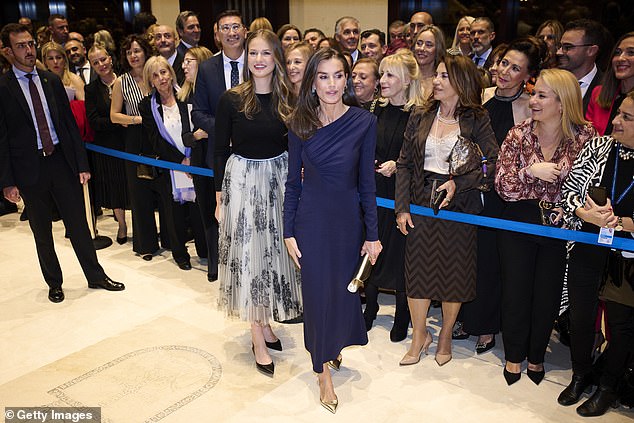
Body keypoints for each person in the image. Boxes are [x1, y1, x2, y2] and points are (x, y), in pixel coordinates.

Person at [284, 47, 380, 414]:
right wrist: (288, 229)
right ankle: (321, 370)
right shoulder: (299, 123)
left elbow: (367, 185)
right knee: (318, 296)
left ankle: (334, 348)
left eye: (339, 75)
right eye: (323, 76)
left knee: (342, 294)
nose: (332, 84)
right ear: (312, 81)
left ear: (348, 78)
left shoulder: (363, 122)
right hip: (310, 222)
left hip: (347, 224)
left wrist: (372, 234)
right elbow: (293, 183)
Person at [0, 23, 124, 303]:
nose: (29, 50)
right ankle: (54, 283)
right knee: (42, 231)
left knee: (79, 224)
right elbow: (2, 139)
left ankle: (96, 275)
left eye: (31, 44)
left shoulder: (50, 81)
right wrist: (7, 181)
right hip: (29, 169)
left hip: (60, 161)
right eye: (21, 46)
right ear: (8, 51)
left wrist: (81, 163)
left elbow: (69, 126)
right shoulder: (4, 89)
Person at [395, 54, 498, 368]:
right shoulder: (421, 114)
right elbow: (404, 164)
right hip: (421, 200)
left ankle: (446, 335)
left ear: (461, 82)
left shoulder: (476, 118)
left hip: (459, 205)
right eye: (436, 75)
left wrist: (460, 183)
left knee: (455, 274)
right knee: (417, 275)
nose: (436, 81)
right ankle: (419, 335)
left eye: (444, 76)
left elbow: (490, 164)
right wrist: (401, 208)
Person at [495, 68, 596, 386]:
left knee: (547, 295)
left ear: (563, 102)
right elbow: (502, 185)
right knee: (516, 290)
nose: (533, 100)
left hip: (562, 228)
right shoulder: (518, 133)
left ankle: (536, 356)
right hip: (519, 222)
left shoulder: (585, 136)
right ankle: (513, 355)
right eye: (534, 93)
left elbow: (587, 187)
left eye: (541, 95)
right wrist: (530, 172)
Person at [215, 29, 302, 377]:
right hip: (243, 182)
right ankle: (257, 335)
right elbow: (219, 149)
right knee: (251, 257)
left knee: (272, 255)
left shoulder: (288, 100)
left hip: (279, 182)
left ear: (276, 58)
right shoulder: (231, 100)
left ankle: (265, 321)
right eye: (253, 53)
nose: (259, 60)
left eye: (267, 53)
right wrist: (219, 197)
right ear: (246, 58)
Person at [455, 37, 544, 353]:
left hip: (508, 197)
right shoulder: (482, 98)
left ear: (527, 76)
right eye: (504, 62)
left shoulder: (529, 108)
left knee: (496, 261)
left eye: (515, 68)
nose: (505, 71)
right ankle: (470, 318)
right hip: (472, 191)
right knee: (472, 257)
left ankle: (488, 327)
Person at [558, 91, 634, 415]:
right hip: (589, 241)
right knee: (580, 314)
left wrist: (625, 222)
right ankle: (580, 374)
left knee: (619, 325)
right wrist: (584, 213)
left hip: (627, 257)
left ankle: (608, 386)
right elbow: (568, 191)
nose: (615, 121)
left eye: (626, 117)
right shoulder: (598, 147)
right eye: (618, 113)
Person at [363, 49, 425, 342]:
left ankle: (402, 315)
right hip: (375, 190)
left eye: (389, 74)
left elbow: (420, 156)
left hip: (402, 194)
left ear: (406, 79)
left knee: (401, 254)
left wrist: (398, 166)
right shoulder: (375, 108)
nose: (382, 80)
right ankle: (370, 307)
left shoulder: (419, 114)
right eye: (382, 73)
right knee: (371, 248)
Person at [192, 9, 247, 281]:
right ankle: (224, 268)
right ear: (217, 35)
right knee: (223, 214)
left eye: (236, 26)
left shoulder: (260, 62)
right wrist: (227, 130)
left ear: (245, 31)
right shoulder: (207, 69)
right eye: (225, 28)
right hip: (222, 154)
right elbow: (198, 113)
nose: (231, 32)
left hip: (259, 154)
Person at [139, 56, 197, 271]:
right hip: (170, 166)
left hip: (194, 163)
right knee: (174, 215)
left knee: (198, 210)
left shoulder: (187, 96)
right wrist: (180, 160)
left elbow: (196, 128)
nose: (161, 78)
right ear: (150, 80)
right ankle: (180, 254)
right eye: (155, 75)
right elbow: (155, 139)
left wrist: (192, 158)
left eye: (164, 72)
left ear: (171, 73)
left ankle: (204, 251)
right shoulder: (147, 106)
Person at [110, 34, 157, 261]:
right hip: (135, 138)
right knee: (139, 194)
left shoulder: (156, 75)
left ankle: (168, 238)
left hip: (159, 137)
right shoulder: (121, 81)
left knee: (164, 191)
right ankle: (145, 243)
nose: (133, 56)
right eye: (129, 52)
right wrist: (137, 120)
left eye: (137, 51)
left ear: (146, 52)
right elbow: (113, 115)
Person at [178, 45, 216, 281]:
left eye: (189, 61)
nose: (183, 66)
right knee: (207, 214)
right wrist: (198, 135)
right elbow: (186, 136)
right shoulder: (183, 96)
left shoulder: (214, 93)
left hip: (219, 159)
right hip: (200, 162)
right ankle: (213, 262)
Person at [84, 44, 128, 244]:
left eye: (103, 59)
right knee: (115, 188)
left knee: (133, 186)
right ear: (92, 66)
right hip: (108, 147)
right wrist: (118, 120)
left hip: (131, 144)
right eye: (95, 62)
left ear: (110, 59)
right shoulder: (91, 89)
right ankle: (121, 225)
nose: (101, 64)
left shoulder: (127, 80)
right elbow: (93, 121)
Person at [586, 32, 634, 136]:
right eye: (617, 52)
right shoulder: (599, 93)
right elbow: (587, 136)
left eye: (631, 53)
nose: (620, 58)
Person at [556, 19, 607, 115]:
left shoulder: (607, 88)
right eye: (560, 46)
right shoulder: (550, 81)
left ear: (591, 50)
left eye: (567, 47)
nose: (558, 52)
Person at [412, 24, 445, 100]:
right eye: (419, 43)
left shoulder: (443, 82)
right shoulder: (406, 78)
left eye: (429, 45)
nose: (422, 48)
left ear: (438, 49)